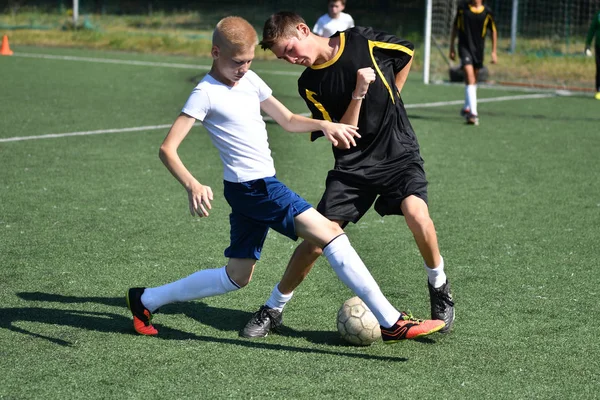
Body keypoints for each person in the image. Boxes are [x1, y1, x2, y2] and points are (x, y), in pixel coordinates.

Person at [125, 16, 446, 342]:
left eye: (249, 61)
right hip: (256, 188)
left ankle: (145, 299)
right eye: (237, 62)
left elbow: (289, 120)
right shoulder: (204, 93)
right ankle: (392, 321)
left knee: (235, 277)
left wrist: (325, 125)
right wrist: (192, 184)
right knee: (331, 234)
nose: (243, 68)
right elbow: (168, 149)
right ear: (215, 52)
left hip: (250, 190)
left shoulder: (250, 80)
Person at [240, 12, 454, 339]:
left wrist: (393, 97)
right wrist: (359, 93)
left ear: (303, 29)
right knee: (316, 240)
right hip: (353, 165)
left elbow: (406, 53)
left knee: (416, 213)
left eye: (290, 49)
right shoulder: (309, 84)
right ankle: (273, 308)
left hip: (397, 151)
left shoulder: (361, 41)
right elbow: (344, 133)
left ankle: (438, 285)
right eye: (284, 57)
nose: (292, 59)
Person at [449, 0, 497, 125]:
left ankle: (466, 107)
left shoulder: (487, 12)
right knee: (470, 78)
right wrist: (452, 47)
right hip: (464, 48)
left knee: (472, 80)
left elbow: (493, 31)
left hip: (478, 50)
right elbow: (455, 27)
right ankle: (473, 114)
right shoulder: (462, 9)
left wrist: (494, 52)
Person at [585, 9, 600, 100]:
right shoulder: (598, 15)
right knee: (599, 67)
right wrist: (588, 44)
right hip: (599, 46)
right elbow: (592, 29)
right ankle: (598, 90)